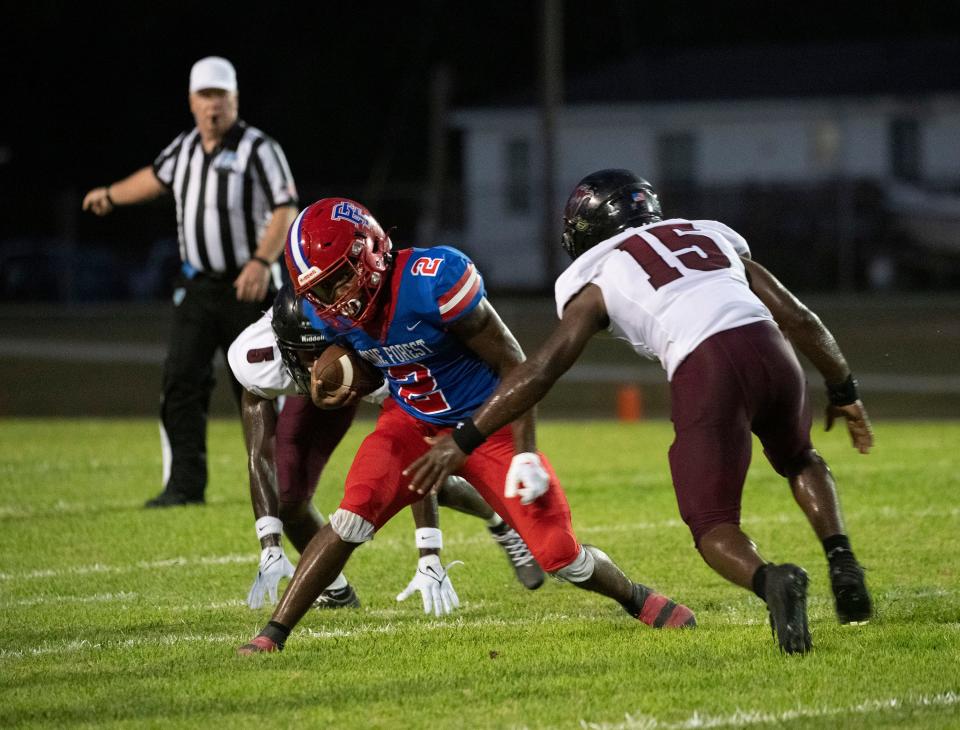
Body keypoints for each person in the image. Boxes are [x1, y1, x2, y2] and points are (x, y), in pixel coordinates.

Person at [406, 169, 874, 655]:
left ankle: (772, 580)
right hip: (771, 348)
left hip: (707, 365)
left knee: (712, 525)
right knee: (800, 457)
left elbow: (541, 369)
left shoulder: (597, 275)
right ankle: (842, 562)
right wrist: (844, 389)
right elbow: (799, 317)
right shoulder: (710, 235)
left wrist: (465, 438)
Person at [236, 197, 695, 654]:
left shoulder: (431, 281)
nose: (332, 299)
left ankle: (634, 597)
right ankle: (272, 635)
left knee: (561, 556)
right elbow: (368, 364)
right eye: (320, 289)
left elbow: (514, 363)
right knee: (351, 516)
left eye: (337, 281)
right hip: (410, 421)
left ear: (368, 252)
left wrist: (526, 450)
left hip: (488, 423)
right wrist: (344, 383)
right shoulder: (326, 311)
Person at [226, 284, 545, 613]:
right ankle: (335, 592)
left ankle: (501, 523)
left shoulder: (370, 350)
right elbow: (258, 451)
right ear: (283, 345)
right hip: (310, 390)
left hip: (359, 378)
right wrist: (269, 542)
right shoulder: (255, 356)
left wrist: (429, 551)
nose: (316, 367)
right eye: (306, 356)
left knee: (430, 475)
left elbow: (416, 443)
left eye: (324, 352)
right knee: (289, 500)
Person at [82, 56, 298, 508]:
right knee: (181, 379)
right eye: (205, 95)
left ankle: (279, 483)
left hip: (249, 286)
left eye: (220, 95)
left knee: (259, 384)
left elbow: (285, 207)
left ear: (235, 98)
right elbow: (154, 178)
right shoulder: (182, 149)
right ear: (192, 101)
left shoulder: (260, 148)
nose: (213, 105)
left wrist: (261, 260)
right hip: (197, 288)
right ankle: (183, 485)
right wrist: (111, 195)